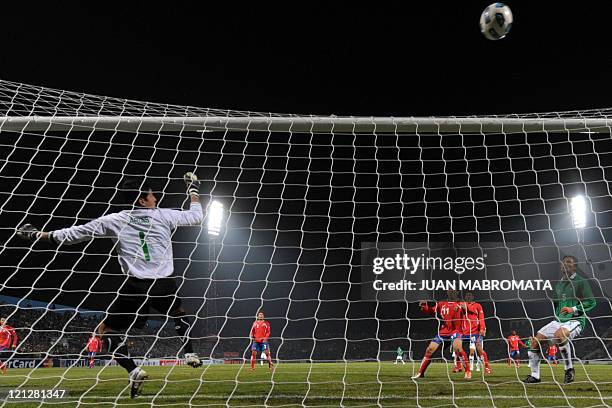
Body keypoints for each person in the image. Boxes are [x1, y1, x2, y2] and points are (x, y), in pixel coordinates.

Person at [17, 173, 204, 398]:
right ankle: (190, 353)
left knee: (105, 330)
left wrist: (38, 234)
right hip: (164, 283)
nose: (156, 198)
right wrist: (193, 189)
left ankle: (133, 370)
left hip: (135, 285)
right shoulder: (164, 216)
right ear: (141, 200)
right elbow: (196, 216)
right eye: (152, 195)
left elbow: (75, 234)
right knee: (178, 312)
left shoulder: (115, 219)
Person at [524, 255, 596, 384]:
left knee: (559, 335)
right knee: (535, 342)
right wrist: (558, 317)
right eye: (563, 262)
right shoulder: (559, 285)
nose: (565, 264)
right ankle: (535, 376)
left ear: (575, 266)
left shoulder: (581, 282)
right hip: (559, 320)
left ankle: (569, 369)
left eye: (569, 262)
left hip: (575, 320)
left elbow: (591, 302)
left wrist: (573, 309)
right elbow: (558, 305)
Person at [412, 290, 471, 380]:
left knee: (458, 349)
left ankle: (467, 371)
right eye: (449, 291)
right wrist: (424, 306)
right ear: (447, 293)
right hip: (444, 331)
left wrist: (465, 309)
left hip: (456, 331)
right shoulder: (441, 304)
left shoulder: (461, 303)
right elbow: (431, 311)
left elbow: (468, 312)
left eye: (453, 291)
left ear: (457, 293)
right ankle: (421, 373)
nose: (451, 292)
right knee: (429, 350)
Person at [459, 292, 491, 374]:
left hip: (475, 331)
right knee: (457, 349)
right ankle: (460, 366)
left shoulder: (477, 305)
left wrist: (482, 329)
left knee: (479, 349)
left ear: (473, 297)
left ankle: (487, 367)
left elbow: (481, 318)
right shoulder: (461, 304)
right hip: (464, 332)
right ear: (465, 297)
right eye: (467, 295)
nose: (468, 297)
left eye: (470, 295)